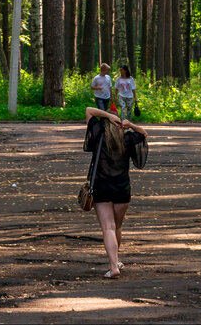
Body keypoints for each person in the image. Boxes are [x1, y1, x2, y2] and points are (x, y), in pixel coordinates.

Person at [84, 106, 148, 278]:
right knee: (117, 227)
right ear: (119, 122)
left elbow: (89, 110)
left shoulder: (98, 133)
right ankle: (116, 261)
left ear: (105, 121)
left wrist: (107, 116)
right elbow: (144, 134)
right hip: (122, 188)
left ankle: (113, 266)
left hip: (101, 187)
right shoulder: (127, 138)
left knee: (108, 228)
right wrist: (131, 125)